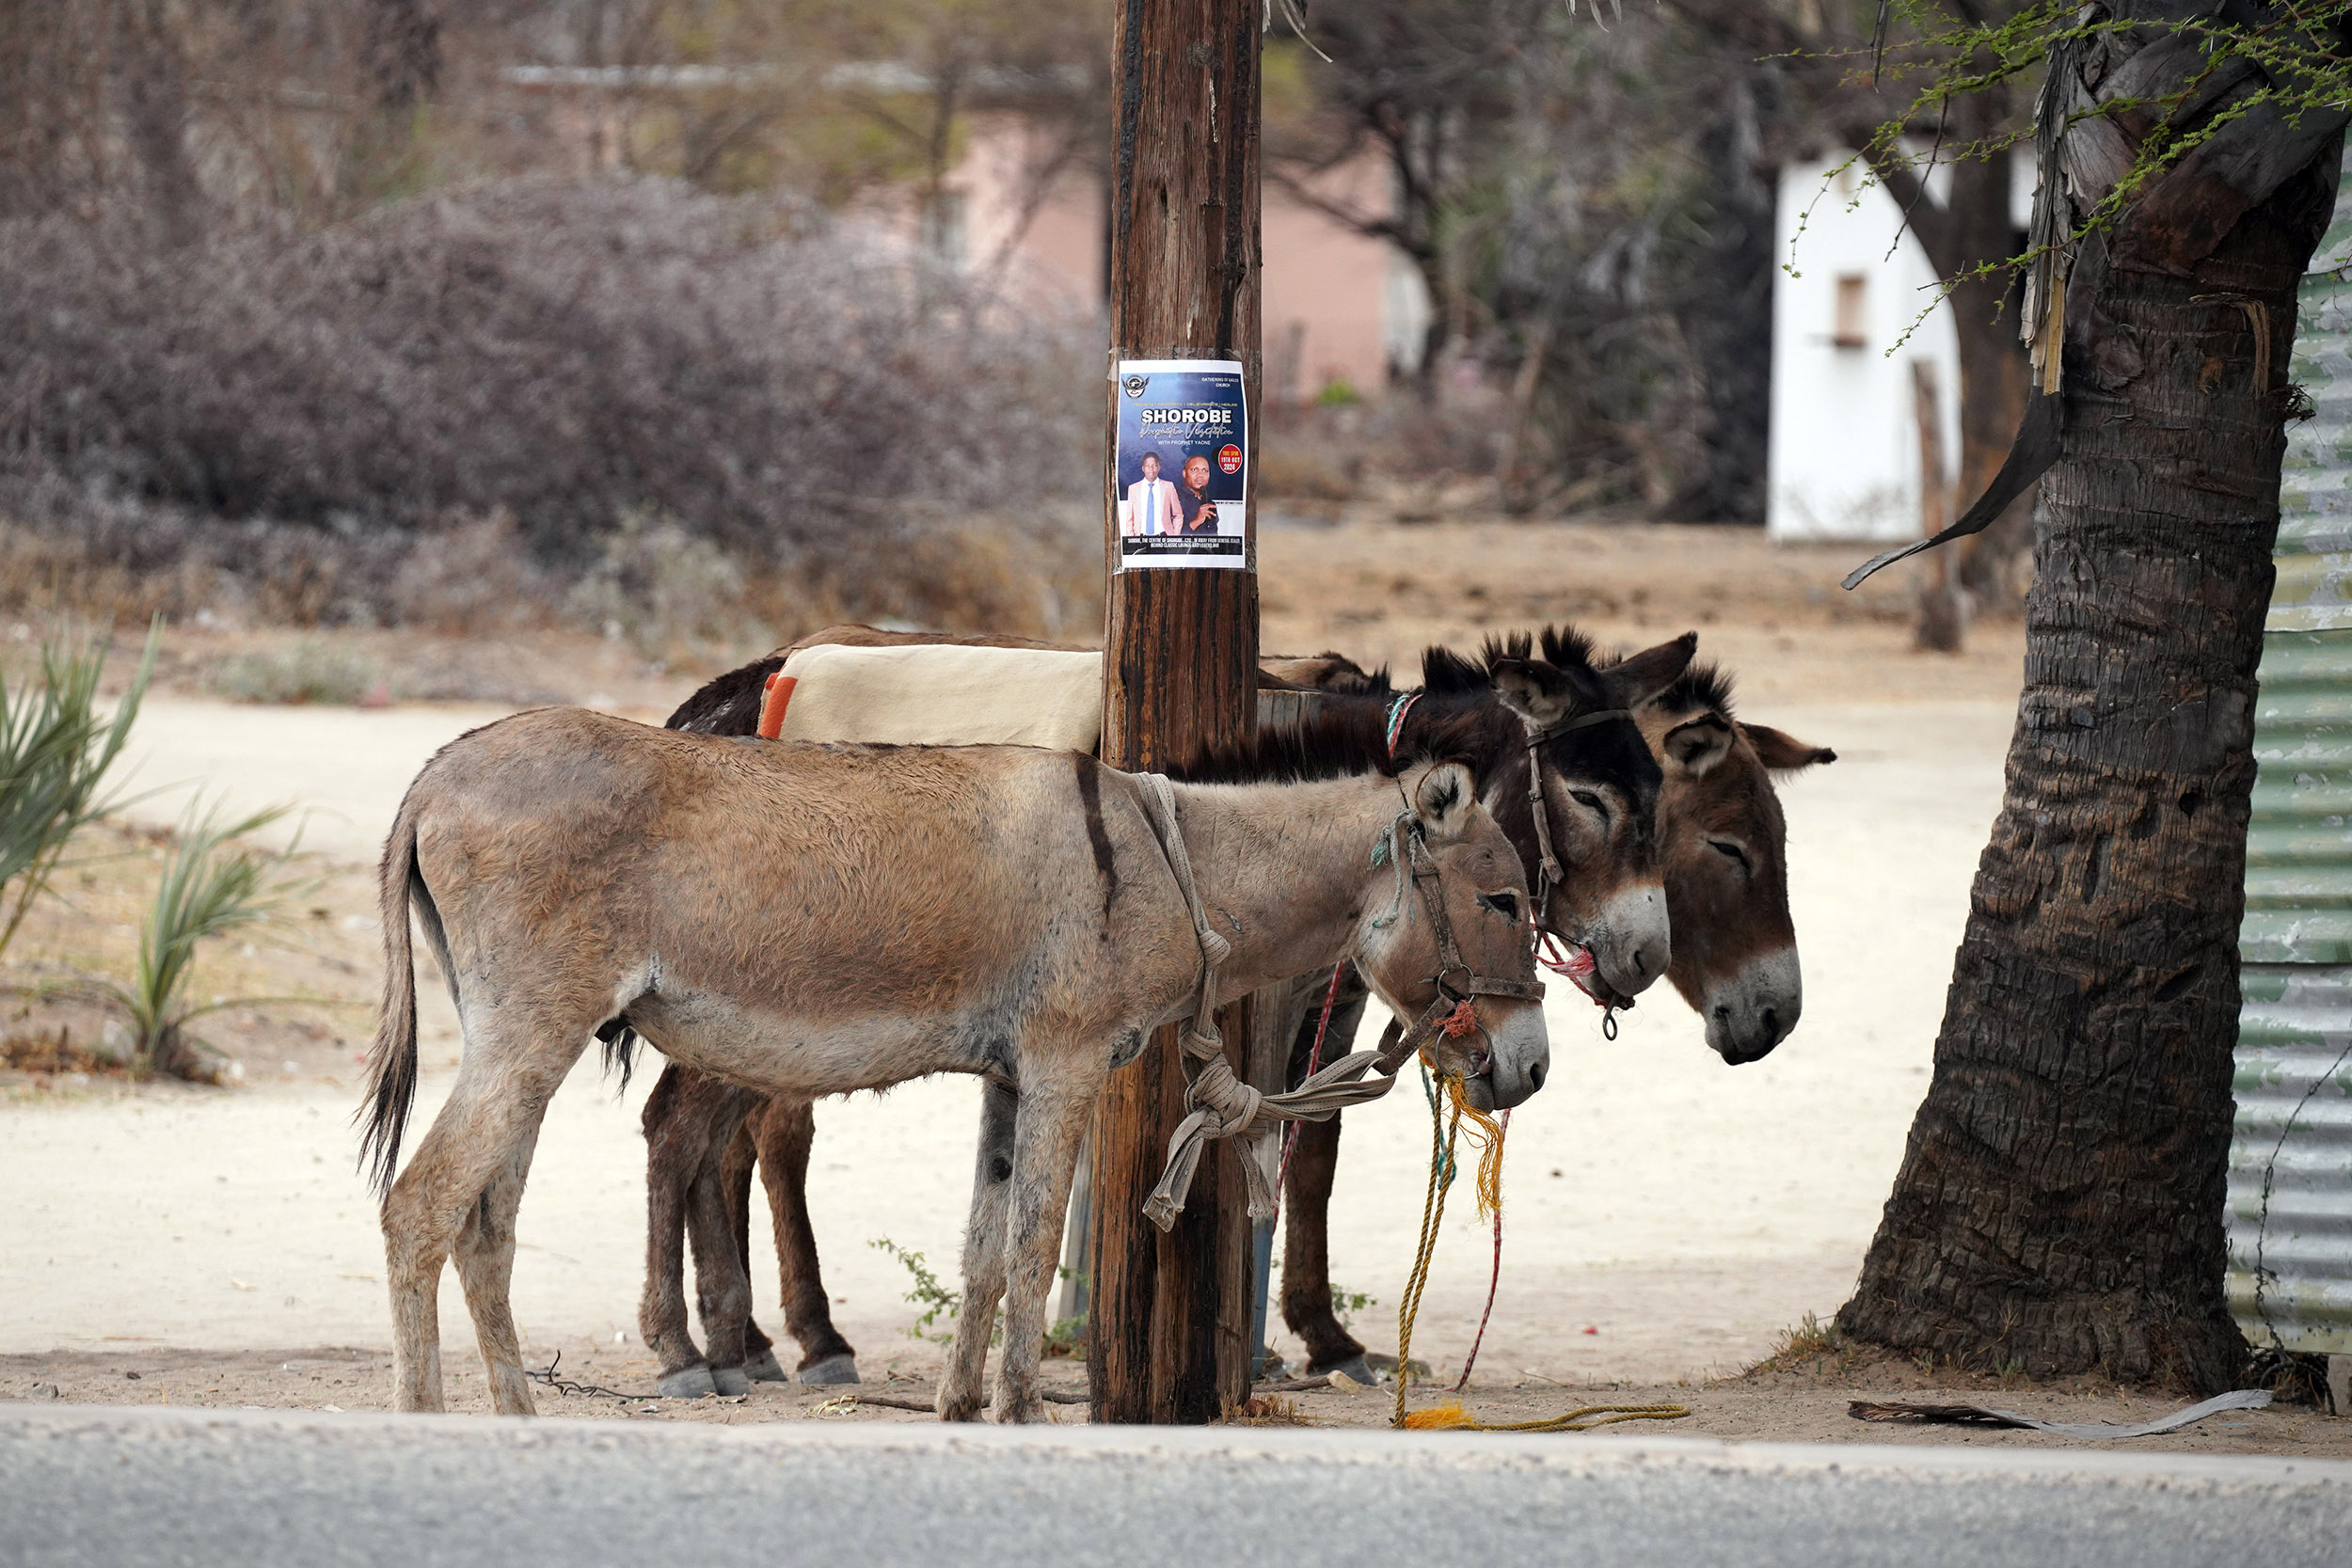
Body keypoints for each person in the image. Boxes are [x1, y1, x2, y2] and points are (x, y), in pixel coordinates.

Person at [1123, 451, 1178, 536]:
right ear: (1143, 468)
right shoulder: (1133, 489)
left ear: (1159, 467)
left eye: (1154, 466)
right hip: (1140, 537)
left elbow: (1178, 514)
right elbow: (1129, 518)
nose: (1151, 469)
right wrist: (1131, 538)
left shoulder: (1169, 486)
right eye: (1147, 466)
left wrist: (1174, 536)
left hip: (1163, 536)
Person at [1178, 453, 1220, 534]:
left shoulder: (1209, 502)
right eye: (1194, 470)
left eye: (1205, 471)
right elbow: (1168, 538)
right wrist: (1197, 521)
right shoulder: (1173, 498)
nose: (1200, 475)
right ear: (1184, 473)